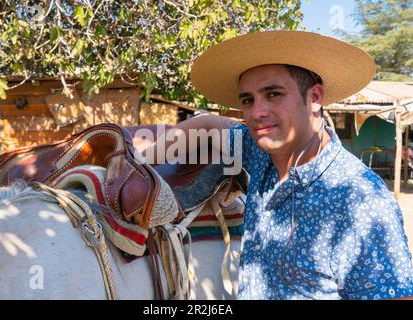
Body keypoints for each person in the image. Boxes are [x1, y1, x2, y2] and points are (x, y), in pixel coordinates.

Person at [137, 30, 413, 300]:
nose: (257, 112)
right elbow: (208, 124)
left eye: (274, 95)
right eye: (248, 100)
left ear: (315, 98)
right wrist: (142, 159)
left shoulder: (359, 200)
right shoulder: (259, 152)